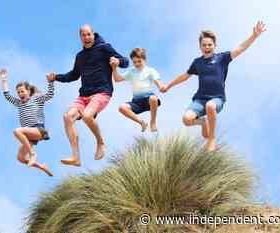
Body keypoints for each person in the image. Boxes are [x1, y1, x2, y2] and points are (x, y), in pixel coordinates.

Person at [161, 21, 266, 151]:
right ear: (200, 47)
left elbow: (241, 48)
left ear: (214, 45)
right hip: (199, 100)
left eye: (209, 44)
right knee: (186, 119)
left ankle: (211, 139)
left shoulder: (222, 58)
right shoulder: (197, 62)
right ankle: (202, 122)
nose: (207, 47)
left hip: (217, 98)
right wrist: (168, 86)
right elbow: (185, 76)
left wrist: (254, 36)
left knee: (210, 106)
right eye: (204, 45)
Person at [47, 24, 129, 166]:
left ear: (93, 34)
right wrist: (56, 77)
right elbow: (73, 75)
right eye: (83, 35)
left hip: (102, 92)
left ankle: (100, 142)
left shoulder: (104, 48)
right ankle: (76, 157)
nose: (86, 37)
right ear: (80, 37)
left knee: (87, 115)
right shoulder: (80, 57)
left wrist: (118, 61)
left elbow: (125, 62)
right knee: (67, 117)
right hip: (84, 96)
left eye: (88, 34)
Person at [0, 68, 54, 176]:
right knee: (20, 158)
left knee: (17, 131)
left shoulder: (36, 99)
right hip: (29, 135)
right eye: (18, 92)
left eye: (22, 91)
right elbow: (7, 95)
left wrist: (51, 82)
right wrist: (4, 79)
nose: (20, 94)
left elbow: (49, 95)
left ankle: (32, 154)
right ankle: (42, 167)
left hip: (39, 130)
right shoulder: (19, 103)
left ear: (28, 91)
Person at [110, 48, 163, 132]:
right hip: (136, 102)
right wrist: (114, 68)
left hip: (148, 100)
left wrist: (160, 86)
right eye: (134, 62)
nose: (137, 64)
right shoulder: (132, 71)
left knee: (153, 98)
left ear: (144, 60)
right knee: (121, 108)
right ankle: (142, 123)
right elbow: (117, 79)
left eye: (139, 61)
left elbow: (157, 81)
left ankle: (153, 122)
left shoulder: (150, 70)